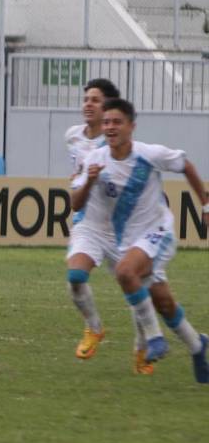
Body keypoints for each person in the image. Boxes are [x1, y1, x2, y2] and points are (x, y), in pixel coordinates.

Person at [71, 98, 209, 383]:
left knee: (124, 272)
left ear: (131, 126)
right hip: (130, 241)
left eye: (116, 122)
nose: (110, 127)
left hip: (158, 231)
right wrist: (88, 182)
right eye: (107, 122)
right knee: (163, 303)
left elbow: (186, 166)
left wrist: (205, 205)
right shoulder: (96, 160)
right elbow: (75, 204)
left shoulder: (149, 154)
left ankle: (154, 339)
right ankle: (198, 346)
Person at [62, 78, 120, 363]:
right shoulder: (73, 135)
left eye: (95, 100)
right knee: (75, 277)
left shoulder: (114, 139)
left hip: (121, 224)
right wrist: (79, 177)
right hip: (87, 217)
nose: (88, 104)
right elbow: (78, 165)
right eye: (86, 99)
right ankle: (94, 328)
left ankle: (146, 344)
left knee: (139, 287)